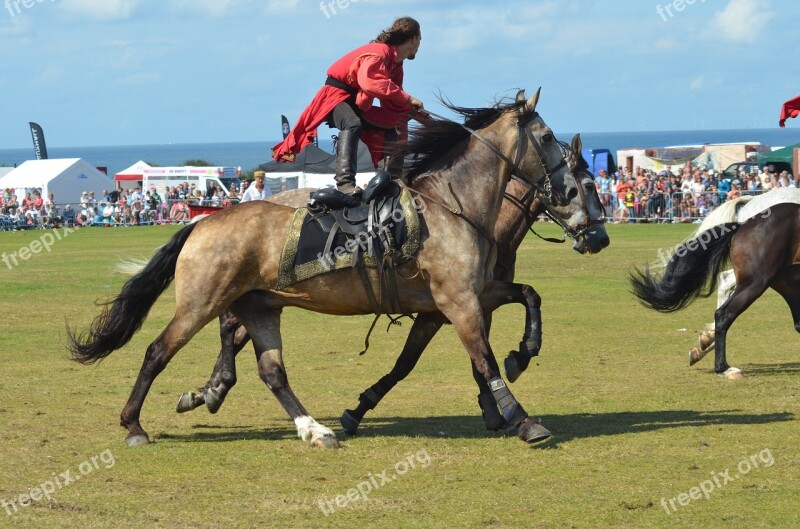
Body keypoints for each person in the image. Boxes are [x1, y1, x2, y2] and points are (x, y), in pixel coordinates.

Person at [272, 17, 426, 198]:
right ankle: (345, 184)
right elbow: (371, 84)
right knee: (352, 123)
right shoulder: (380, 52)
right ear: (414, 39)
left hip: (355, 101)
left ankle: (392, 181)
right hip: (336, 96)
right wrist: (408, 99)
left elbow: (393, 99)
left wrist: (411, 112)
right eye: (420, 40)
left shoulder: (396, 65)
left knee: (395, 124)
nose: (419, 45)